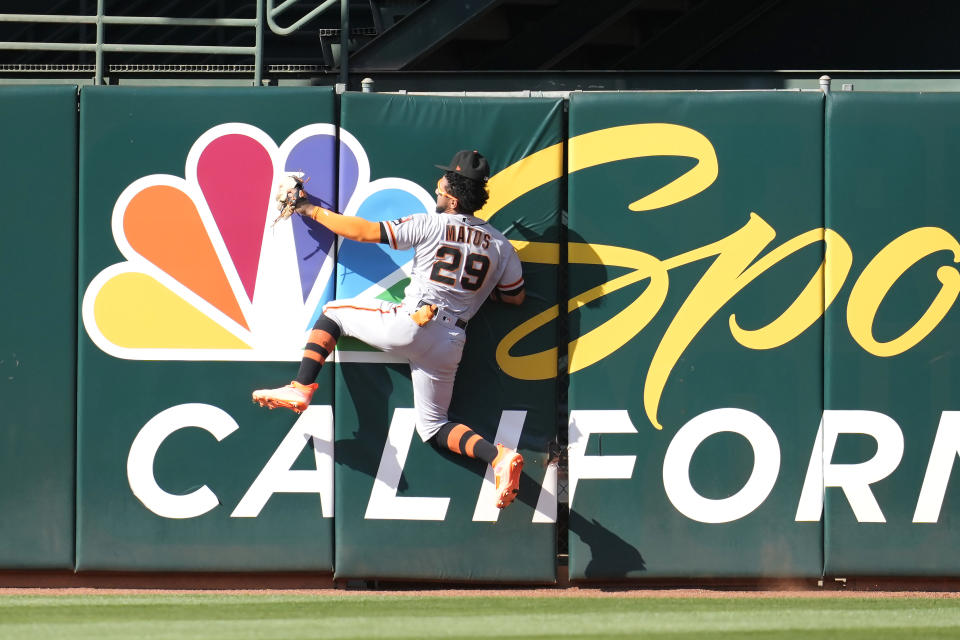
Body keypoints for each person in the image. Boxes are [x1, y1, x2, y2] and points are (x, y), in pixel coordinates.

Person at [253, 150, 526, 509]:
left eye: (443, 183)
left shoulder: (432, 223)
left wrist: (308, 209)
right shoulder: (501, 245)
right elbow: (514, 297)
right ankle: (497, 456)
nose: (438, 186)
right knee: (433, 427)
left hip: (412, 322)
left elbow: (365, 232)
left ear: (454, 197)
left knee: (334, 312)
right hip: (451, 341)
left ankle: (301, 387)